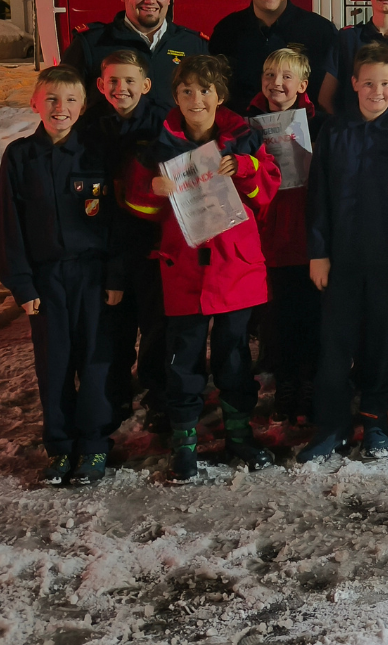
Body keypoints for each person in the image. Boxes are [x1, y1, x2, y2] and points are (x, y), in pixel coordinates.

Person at [123, 54, 280, 481]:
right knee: (183, 360)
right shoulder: (159, 147)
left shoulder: (244, 140)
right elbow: (136, 205)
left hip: (234, 268)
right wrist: (153, 191)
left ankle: (238, 435)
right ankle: (185, 444)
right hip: (185, 271)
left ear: (220, 96)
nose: (197, 99)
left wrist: (246, 170)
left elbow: (267, 192)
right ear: (175, 96)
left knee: (234, 357)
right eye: (187, 90)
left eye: (205, 90)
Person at [0, 65, 124, 486]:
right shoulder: (19, 156)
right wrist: (21, 282)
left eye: (70, 99)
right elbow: (10, 223)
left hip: (92, 275)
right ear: (35, 103)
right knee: (53, 363)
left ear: (84, 106)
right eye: (51, 99)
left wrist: (115, 276)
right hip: (46, 279)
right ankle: (60, 446)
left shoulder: (96, 152)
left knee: (94, 360)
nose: (60, 108)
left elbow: (116, 221)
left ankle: (92, 446)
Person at [300, 43, 388, 462]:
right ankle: (331, 426)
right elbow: (319, 197)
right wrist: (318, 252)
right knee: (335, 348)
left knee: (380, 344)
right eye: (368, 83)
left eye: (386, 84)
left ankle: (375, 421)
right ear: (353, 83)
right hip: (341, 260)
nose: (377, 91)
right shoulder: (334, 131)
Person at [94, 49, 172, 432]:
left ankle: (158, 396)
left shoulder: (164, 125)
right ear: (100, 85)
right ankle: (116, 395)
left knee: (157, 327)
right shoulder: (91, 127)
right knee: (114, 327)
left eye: (129, 81)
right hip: (108, 240)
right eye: (113, 80)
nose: (121, 88)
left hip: (153, 241)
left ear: (146, 85)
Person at [247, 46, 326, 425]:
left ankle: (309, 384)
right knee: (275, 320)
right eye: (269, 75)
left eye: (286, 76)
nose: (277, 83)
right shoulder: (245, 123)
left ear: (303, 84)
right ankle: (285, 384)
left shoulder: (320, 122)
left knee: (311, 315)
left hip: (308, 235)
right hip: (266, 237)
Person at [209, 0, 337, 115]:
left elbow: (331, 95)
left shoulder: (319, 31)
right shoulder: (227, 30)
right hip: (241, 133)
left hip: (305, 133)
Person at [62, 0, 208, 106]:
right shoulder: (92, 43)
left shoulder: (194, 45)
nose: (150, 0)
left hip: (172, 132)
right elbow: (62, 97)